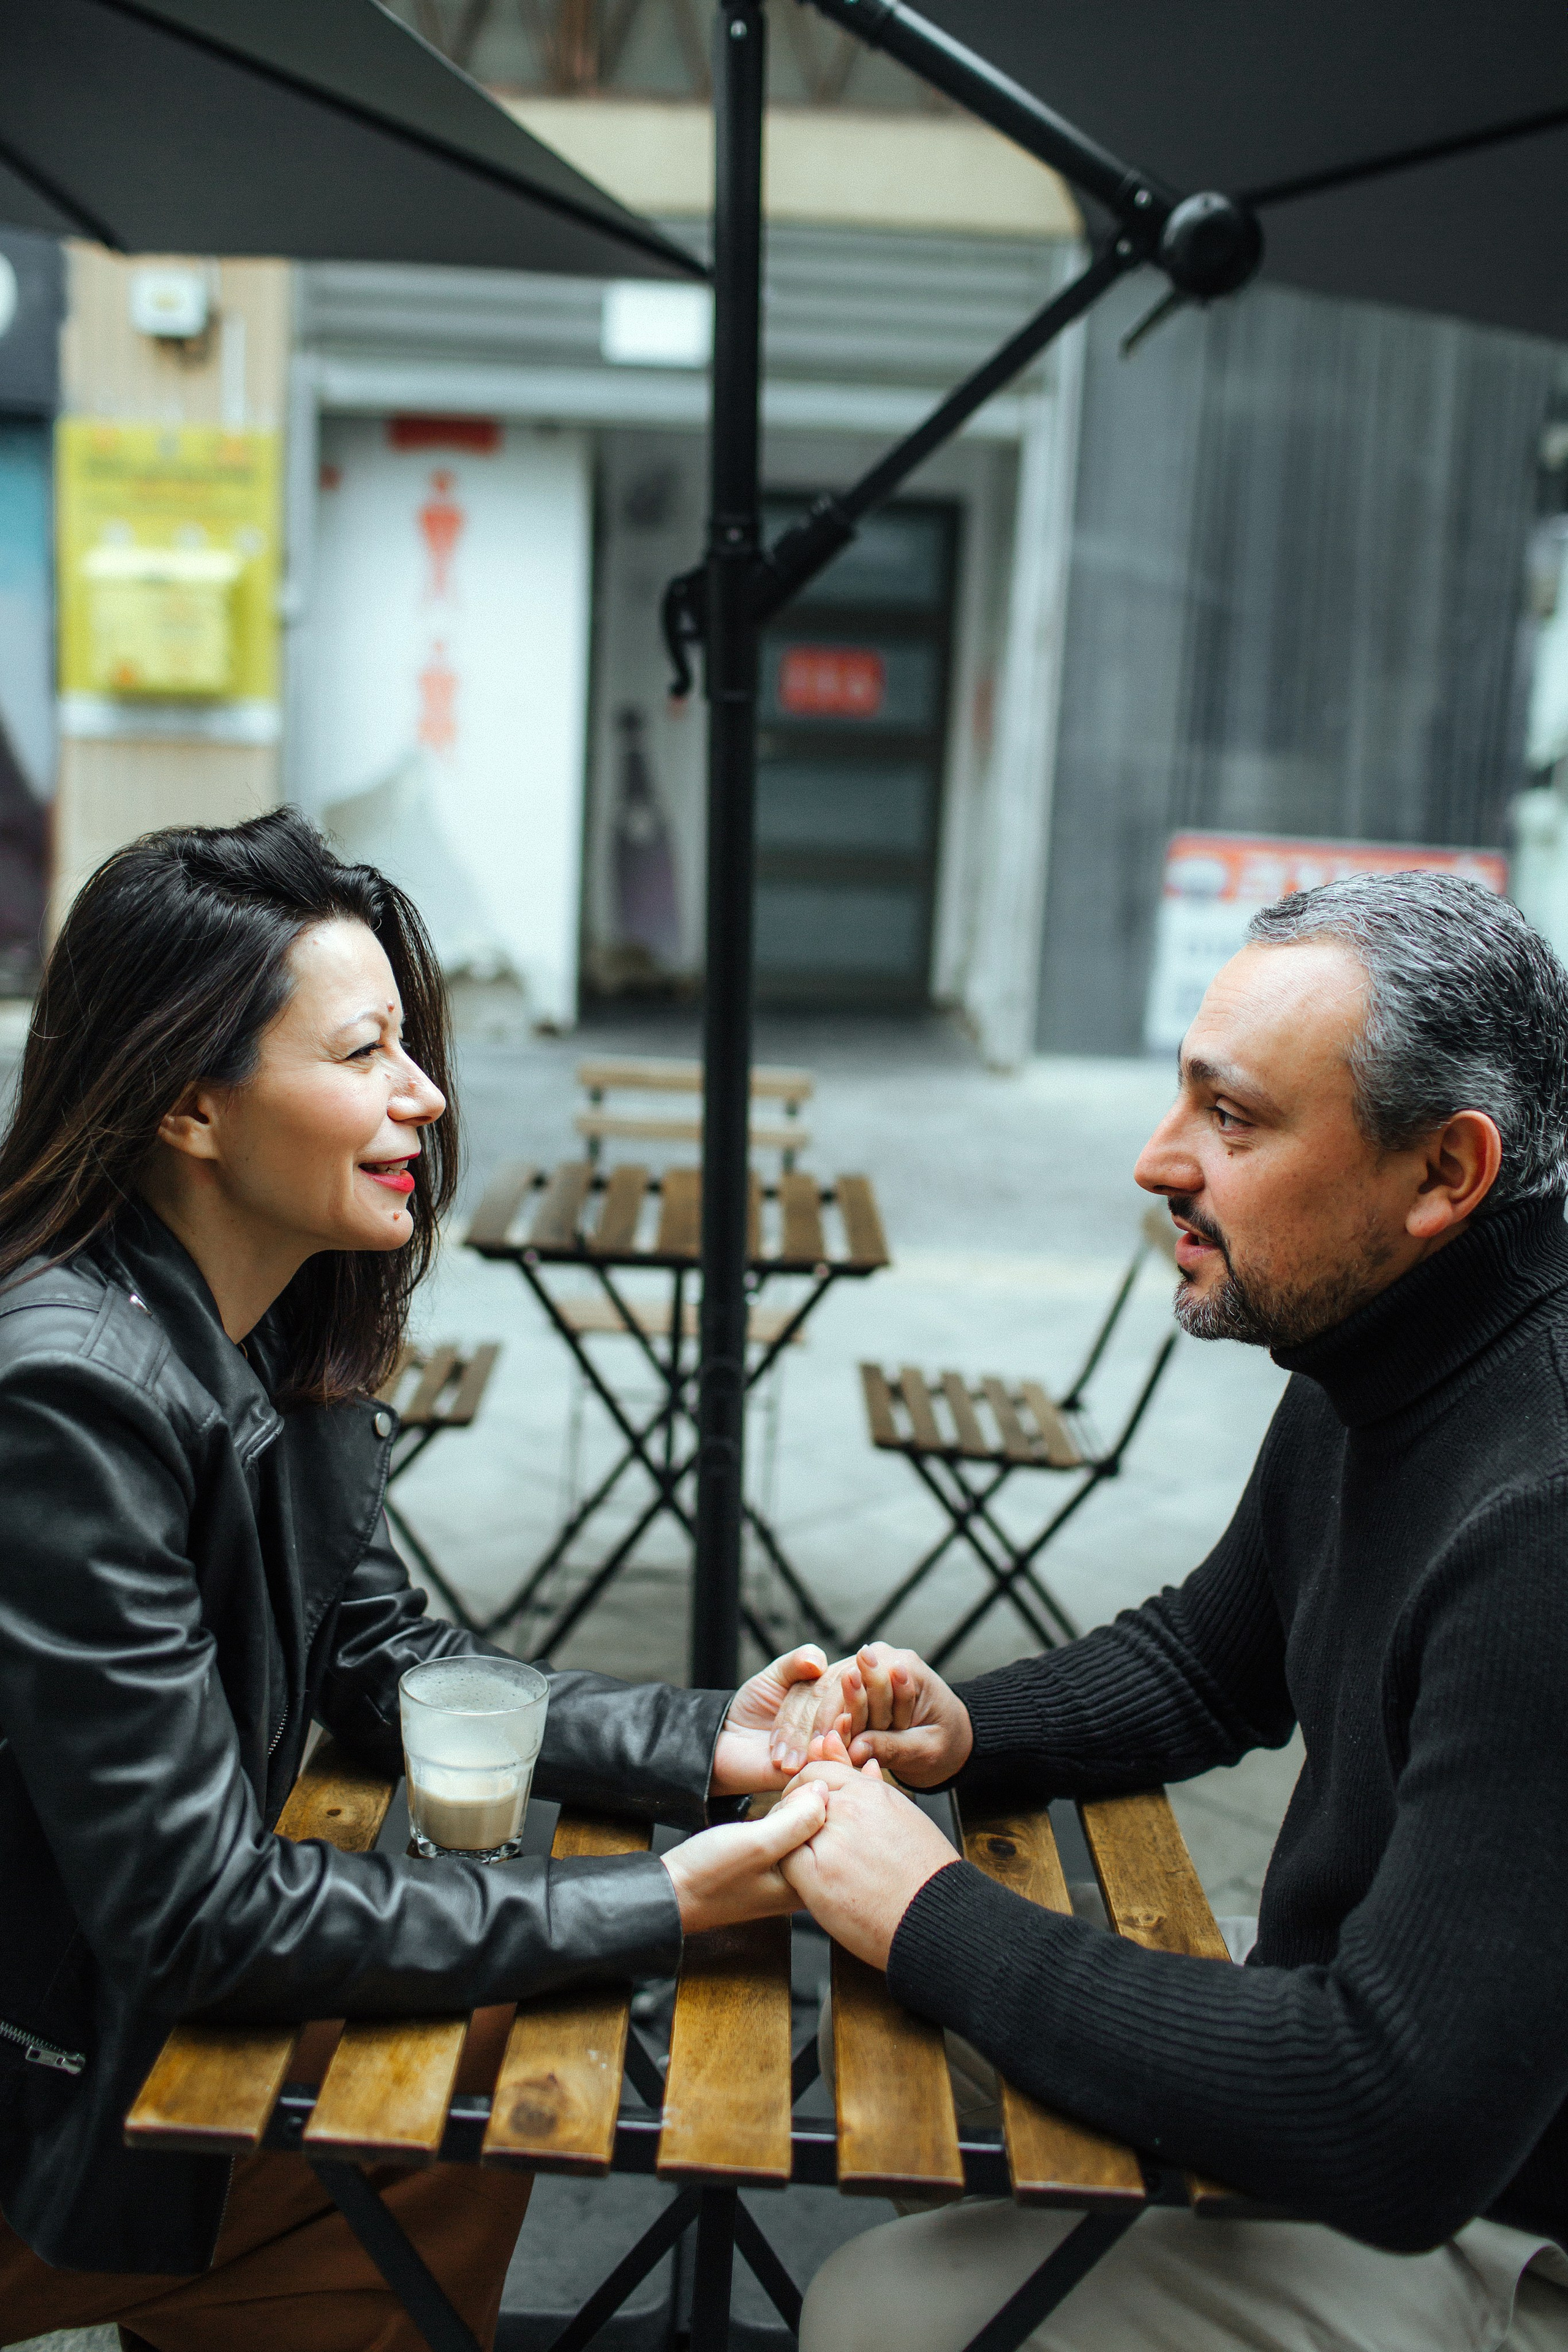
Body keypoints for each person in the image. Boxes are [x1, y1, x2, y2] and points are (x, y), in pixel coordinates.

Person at [0, 810, 827, 2352]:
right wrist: (664, 1891)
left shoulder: (274, 1323)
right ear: (189, 1102)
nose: (425, 1095)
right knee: (440, 2099)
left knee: (446, 2088)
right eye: (366, 1051)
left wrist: (711, 1740)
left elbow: (379, 1657)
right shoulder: (69, 1394)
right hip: (36, 2088)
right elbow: (198, 1922)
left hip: (94, 2033)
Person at [775, 872, 1568, 2352]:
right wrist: (959, 1733)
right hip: (1369, 2085)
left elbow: (1394, 2115)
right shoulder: (1394, 1331)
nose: (1157, 1163)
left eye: (1234, 1118)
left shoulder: (1540, 1515)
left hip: (1503, 2228)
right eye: (1178, 1101)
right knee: (867, 2033)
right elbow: (1213, 1657)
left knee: (876, 2313)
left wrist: (927, 1905)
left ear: (1442, 1172)